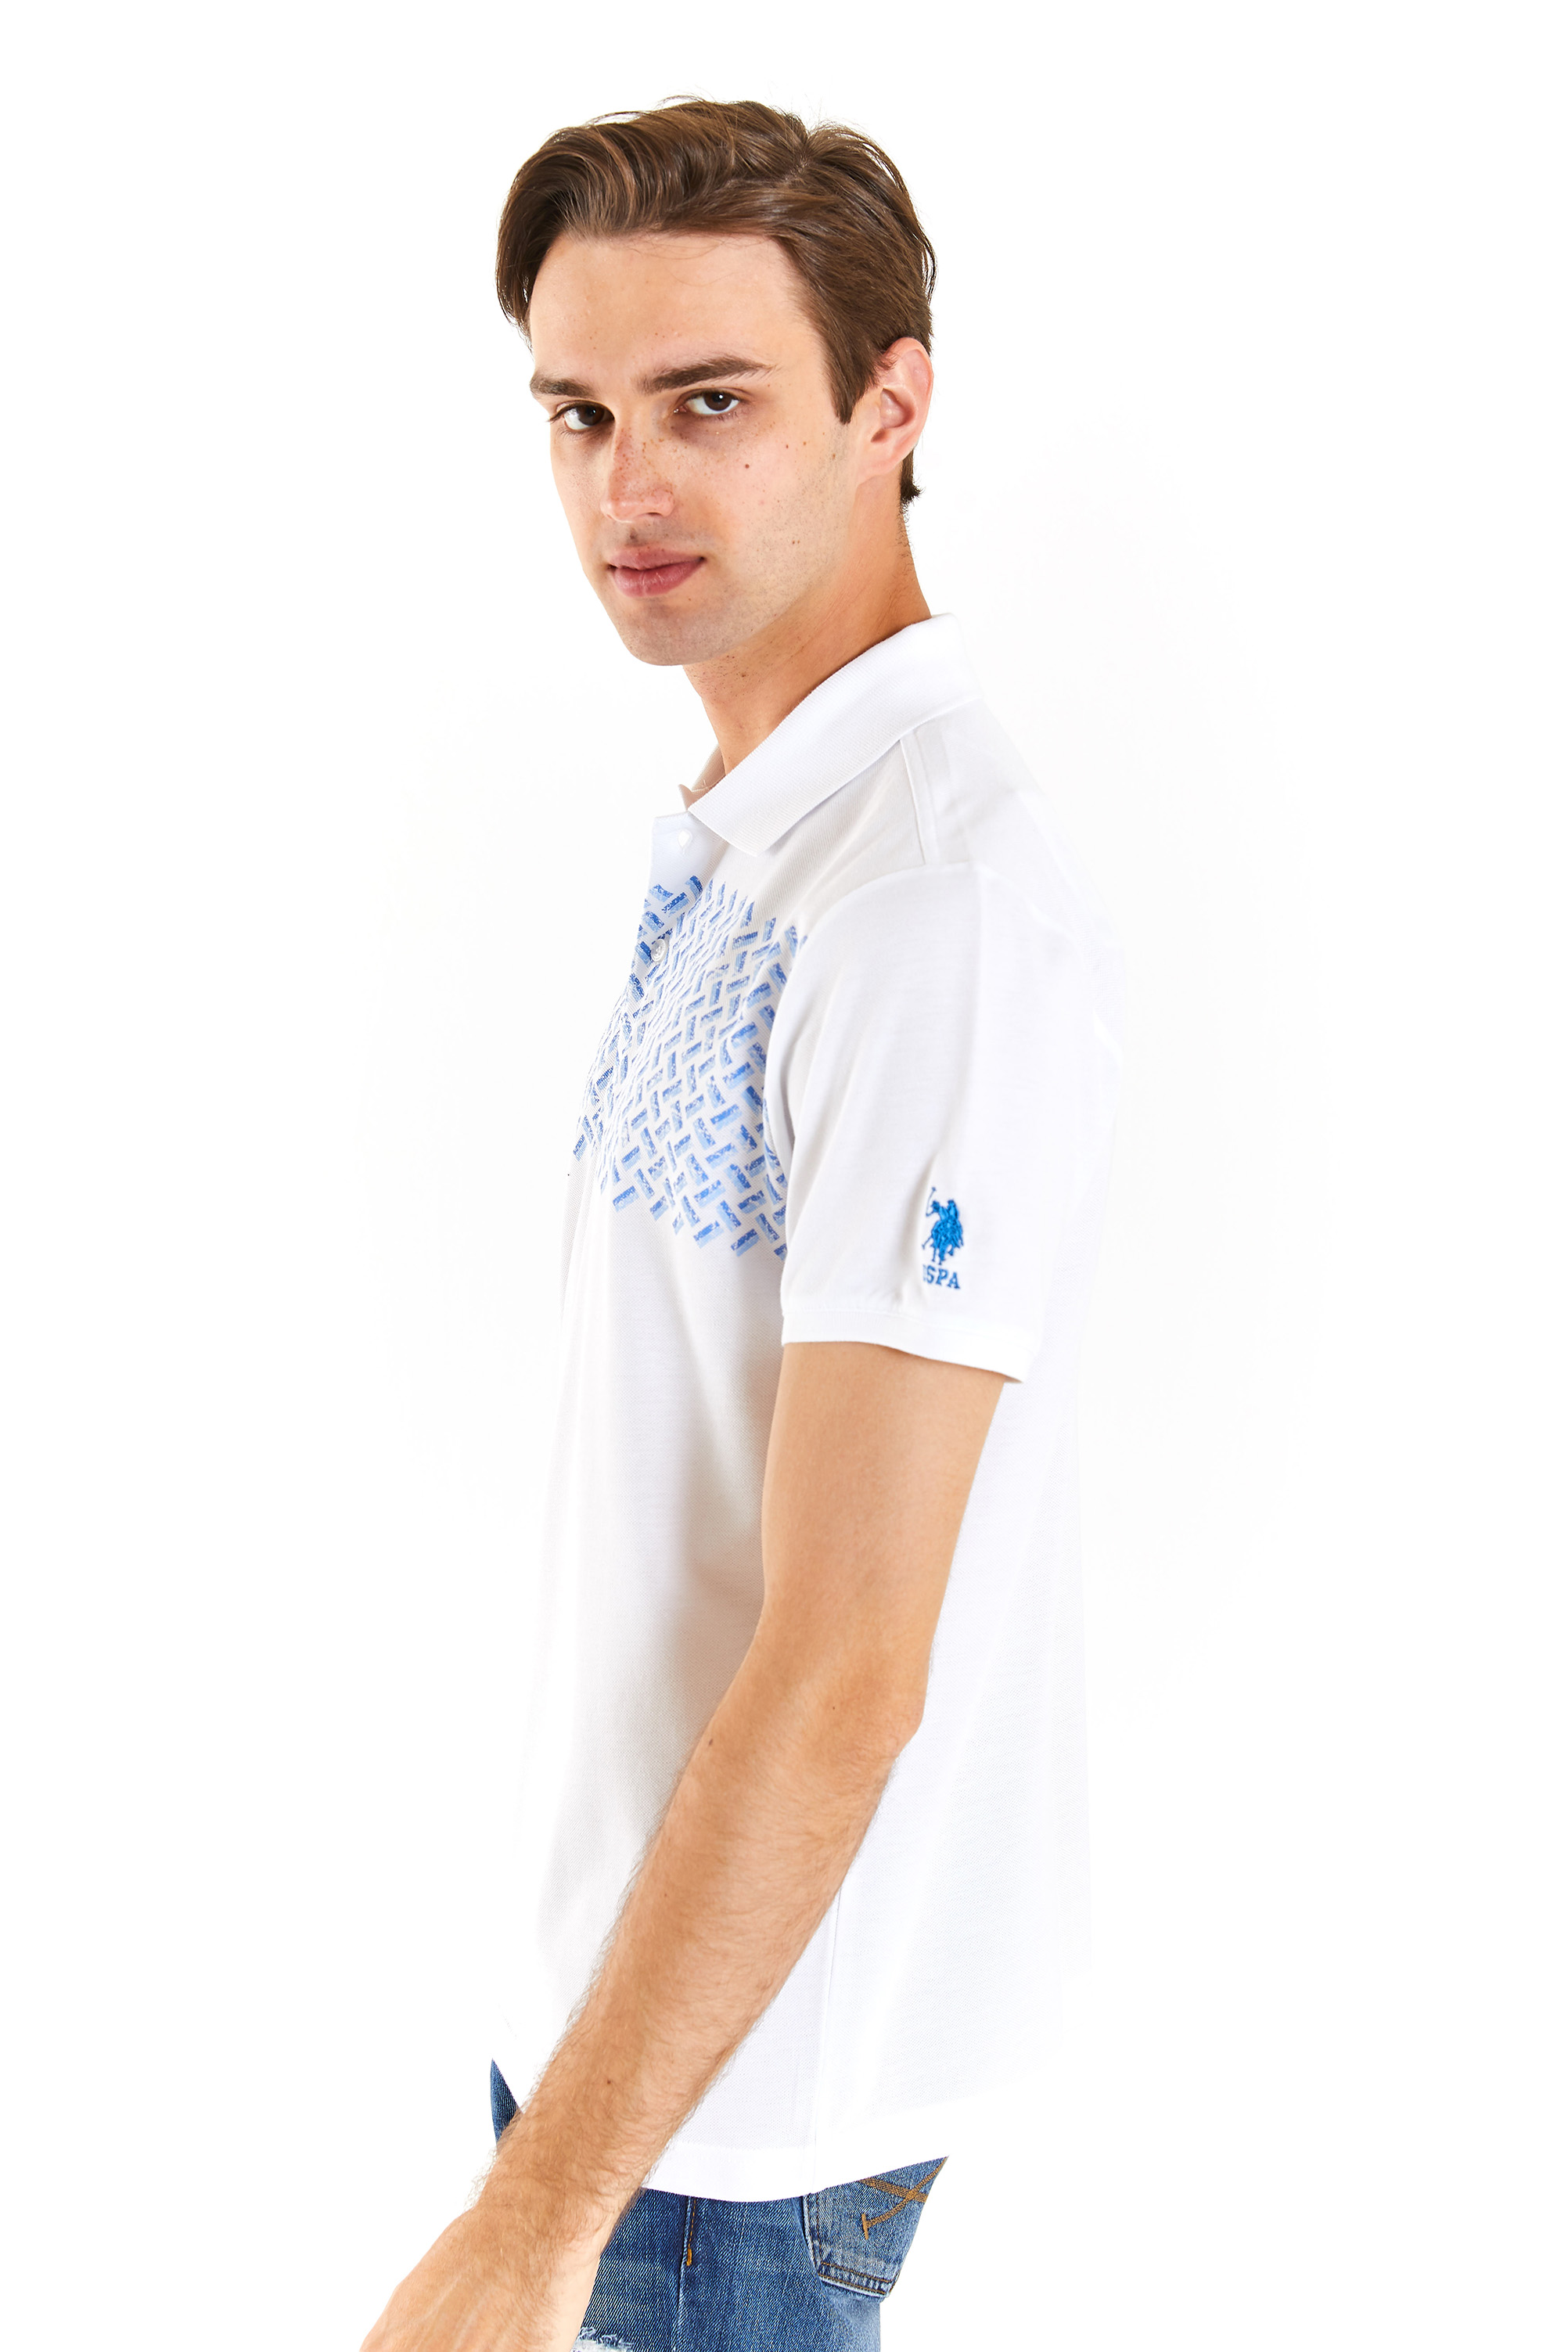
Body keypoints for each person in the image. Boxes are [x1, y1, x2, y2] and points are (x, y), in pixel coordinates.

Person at [361, 98, 1123, 2352]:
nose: (630, 487)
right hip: (634, 2061)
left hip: (717, 2151)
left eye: (709, 403)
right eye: (579, 415)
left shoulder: (922, 911)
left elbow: (848, 1668)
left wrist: (540, 2220)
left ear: (893, 404)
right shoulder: (761, 834)